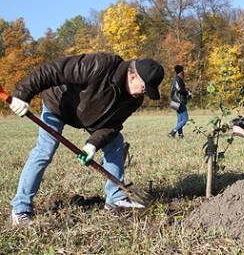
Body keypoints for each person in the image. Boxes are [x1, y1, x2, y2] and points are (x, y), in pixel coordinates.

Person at [8, 52, 164, 225]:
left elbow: (112, 126)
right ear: (132, 76)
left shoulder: (134, 100)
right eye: (144, 88)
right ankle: (20, 209)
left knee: (116, 142)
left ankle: (115, 199)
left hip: (88, 116)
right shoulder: (100, 65)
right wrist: (22, 95)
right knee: (44, 151)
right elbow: (52, 70)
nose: (143, 94)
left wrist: (92, 144)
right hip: (58, 105)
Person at [168, 65, 191, 139]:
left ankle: (181, 135)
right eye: (183, 71)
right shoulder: (178, 79)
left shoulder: (175, 79)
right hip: (179, 101)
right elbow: (180, 90)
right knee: (185, 119)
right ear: (181, 71)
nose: (184, 72)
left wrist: (186, 90)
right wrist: (187, 92)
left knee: (179, 120)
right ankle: (172, 132)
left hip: (175, 101)